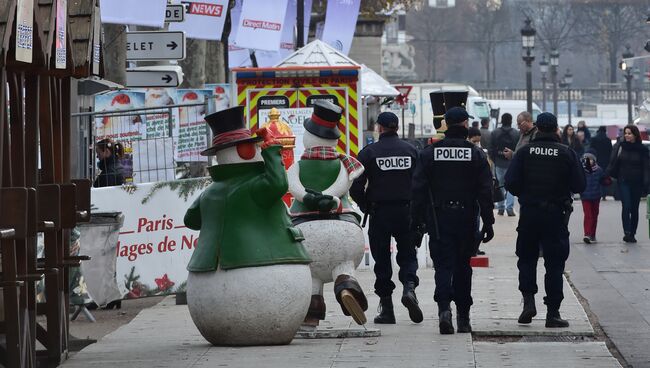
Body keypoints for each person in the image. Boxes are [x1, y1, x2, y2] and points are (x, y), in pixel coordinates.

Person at [412, 107, 495, 334]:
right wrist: (488, 223)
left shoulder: (429, 153)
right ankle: (464, 317)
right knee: (463, 266)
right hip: (467, 218)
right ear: (466, 124)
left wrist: (417, 222)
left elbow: (418, 190)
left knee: (443, 266)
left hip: (439, 219)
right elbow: (486, 192)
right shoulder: (476, 154)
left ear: (446, 124)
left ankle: (444, 310)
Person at [504, 112, 586, 328]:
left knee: (527, 259)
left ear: (537, 128)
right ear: (556, 129)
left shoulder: (524, 153)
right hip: (555, 215)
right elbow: (580, 185)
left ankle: (528, 303)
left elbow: (510, 182)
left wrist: (527, 194)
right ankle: (553, 313)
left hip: (530, 213)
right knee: (555, 264)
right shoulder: (566, 153)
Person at [350, 111, 422, 324]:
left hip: (380, 212)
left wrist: (366, 205)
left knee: (381, 259)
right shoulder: (411, 151)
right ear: (397, 127)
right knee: (408, 255)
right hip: (406, 211)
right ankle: (409, 287)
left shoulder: (369, 152)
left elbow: (355, 186)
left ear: (379, 128)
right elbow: (420, 184)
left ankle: (387, 309)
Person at [606, 125, 650, 243]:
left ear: (635, 135)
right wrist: (606, 174)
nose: (627, 135)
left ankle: (632, 233)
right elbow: (613, 161)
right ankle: (627, 231)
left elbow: (646, 167)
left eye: (629, 133)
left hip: (637, 182)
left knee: (634, 208)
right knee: (626, 206)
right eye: (625, 133)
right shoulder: (620, 147)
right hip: (623, 180)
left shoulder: (643, 149)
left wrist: (646, 183)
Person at [490, 113, 519, 216]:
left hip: (499, 162)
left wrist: (495, 160)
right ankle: (510, 208)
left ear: (501, 120)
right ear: (511, 121)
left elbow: (490, 149)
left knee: (500, 185)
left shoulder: (494, 133)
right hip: (511, 163)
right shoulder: (516, 133)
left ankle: (501, 208)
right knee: (510, 185)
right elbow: (518, 150)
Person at [580, 153, 606, 244]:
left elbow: (604, 180)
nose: (589, 161)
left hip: (596, 196)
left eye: (590, 159)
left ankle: (592, 234)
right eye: (586, 159)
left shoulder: (599, 170)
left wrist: (607, 180)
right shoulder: (582, 170)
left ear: (594, 160)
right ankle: (587, 234)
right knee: (588, 215)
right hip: (585, 196)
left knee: (594, 215)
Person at [589, 126, 613, 200]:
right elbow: (610, 151)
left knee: (595, 177)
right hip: (605, 161)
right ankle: (604, 195)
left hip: (596, 160)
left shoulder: (594, 139)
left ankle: (596, 193)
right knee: (604, 177)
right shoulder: (608, 140)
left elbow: (590, 150)